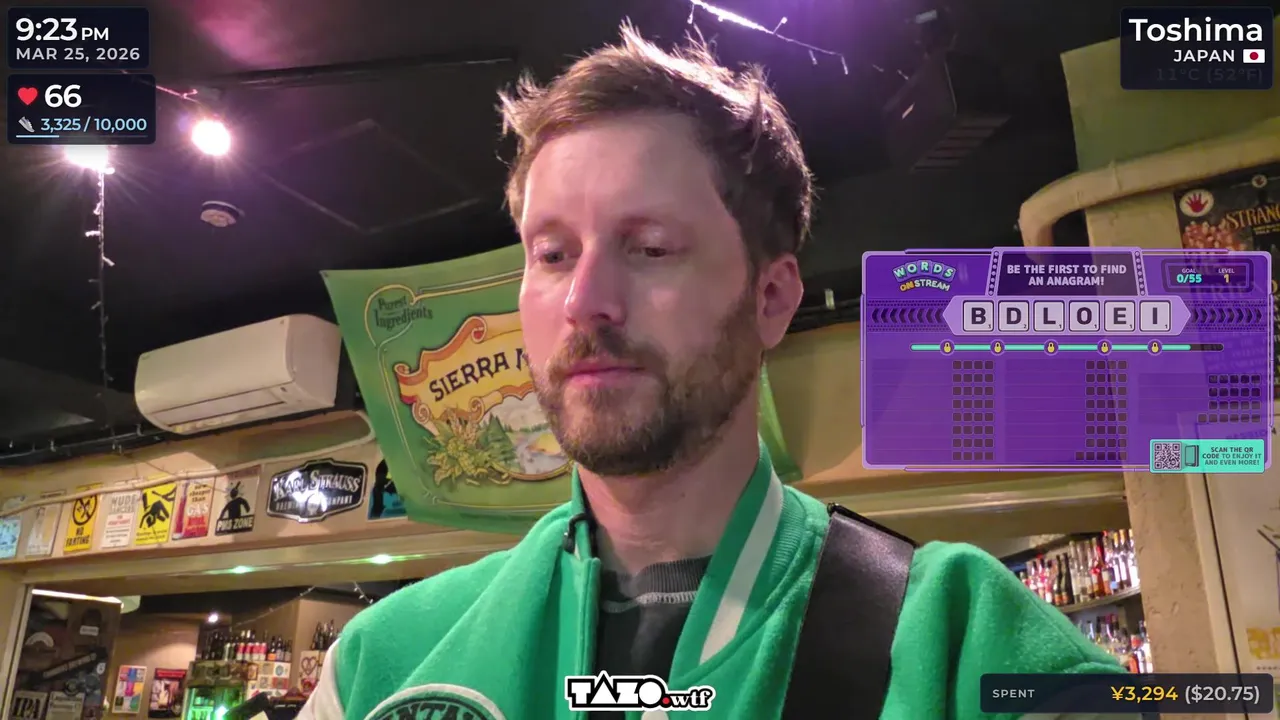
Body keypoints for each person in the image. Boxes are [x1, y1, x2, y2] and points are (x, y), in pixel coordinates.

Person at [299, 23, 1130, 720]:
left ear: (771, 298)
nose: (585, 301)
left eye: (651, 248)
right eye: (552, 254)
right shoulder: (382, 666)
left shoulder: (960, 640)